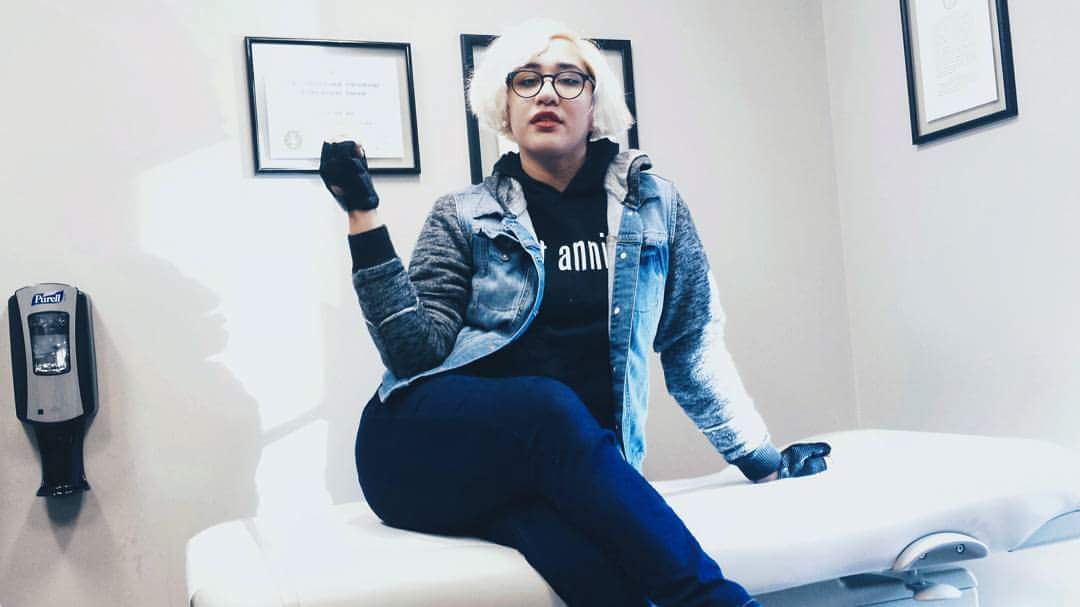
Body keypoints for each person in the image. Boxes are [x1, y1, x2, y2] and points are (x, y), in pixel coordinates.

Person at [321, 18, 831, 607]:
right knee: (545, 403)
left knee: (600, 576)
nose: (545, 93)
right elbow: (415, 354)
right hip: (419, 453)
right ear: (503, 109)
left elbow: (691, 347)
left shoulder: (657, 208)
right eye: (526, 81)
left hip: (541, 474)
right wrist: (364, 217)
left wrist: (760, 460)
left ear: (596, 105)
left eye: (568, 80)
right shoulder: (462, 216)